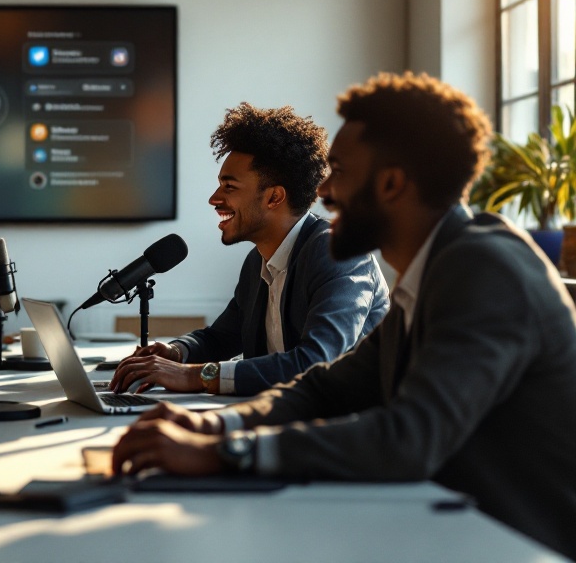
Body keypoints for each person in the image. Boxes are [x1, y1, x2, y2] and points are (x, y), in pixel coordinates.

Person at [111, 73, 576, 559]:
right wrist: (215, 428)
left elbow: (409, 436)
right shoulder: (432, 272)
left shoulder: (483, 267)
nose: (324, 192)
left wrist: (227, 452)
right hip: (448, 526)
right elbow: (325, 386)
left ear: (392, 183)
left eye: (340, 172)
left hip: (515, 545)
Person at [110, 103, 388, 396]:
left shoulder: (340, 254)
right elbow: (221, 338)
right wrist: (175, 353)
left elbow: (316, 362)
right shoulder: (257, 261)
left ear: (274, 198)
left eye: (229, 187)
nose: (214, 199)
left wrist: (195, 376)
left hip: (350, 429)